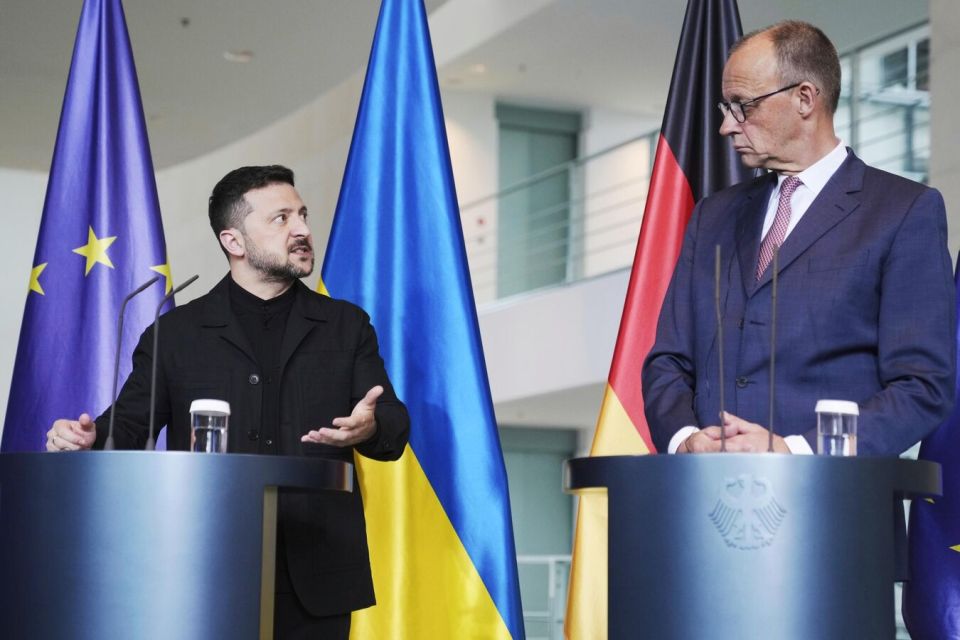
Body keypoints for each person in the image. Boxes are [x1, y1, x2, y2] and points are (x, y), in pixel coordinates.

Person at [46, 165, 410, 639]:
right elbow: (127, 429)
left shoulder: (346, 325)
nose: (302, 229)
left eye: (302, 215)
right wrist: (88, 439)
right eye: (281, 218)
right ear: (233, 241)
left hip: (316, 573)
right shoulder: (175, 333)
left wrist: (371, 427)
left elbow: (392, 425)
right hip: (203, 563)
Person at [642, 21, 955, 457]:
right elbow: (668, 361)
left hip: (831, 494)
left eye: (743, 106)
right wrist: (685, 440)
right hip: (705, 489)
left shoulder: (904, 212)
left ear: (805, 98)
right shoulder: (712, 216)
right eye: (725, 108)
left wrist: (797, 452)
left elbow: (922, 386)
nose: (726, 127)